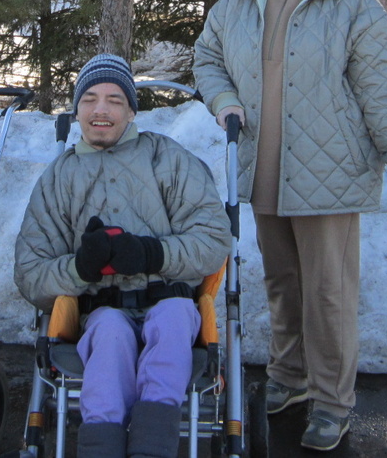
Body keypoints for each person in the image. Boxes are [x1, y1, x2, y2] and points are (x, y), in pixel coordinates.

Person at [193, 0, 387, 451]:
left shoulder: (353, 4)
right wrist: (223, 100)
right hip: (263, 167)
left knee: (328, 293)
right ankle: (289, 377)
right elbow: (207, 56)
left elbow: (381, 86)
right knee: (282, 283)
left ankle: (331, 402)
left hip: (331, 172)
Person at [14, 54, 232, 458]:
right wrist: (79, 268)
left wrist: (152, 253)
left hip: (170, 299)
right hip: (101, 310)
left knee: (172, 321)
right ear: (77, 110)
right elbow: (30, 271)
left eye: (114, 100)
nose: (101, 109)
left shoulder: (167, 159)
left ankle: (151, 448)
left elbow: (214, 240)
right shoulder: (59, 178)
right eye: (90, 99)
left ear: (132, 111)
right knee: (110, 334)